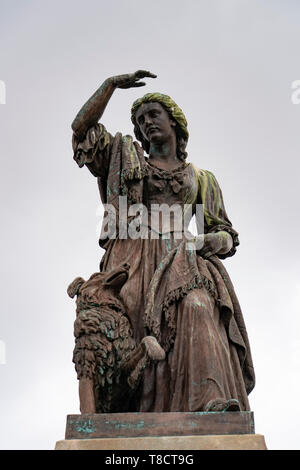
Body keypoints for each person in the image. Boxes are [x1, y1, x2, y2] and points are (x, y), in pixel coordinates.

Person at [71, 70, 255, 412]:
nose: (146, 123)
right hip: (131, 262)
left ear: (175, 121)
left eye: (154, 114)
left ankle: (208, 403)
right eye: (140, 119)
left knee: (199, 307)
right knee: (128, 338)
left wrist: (206, 242)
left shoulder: (201, 178)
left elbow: (226, 235)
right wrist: (110, 86)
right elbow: (80, 129)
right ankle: (127, 413)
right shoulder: (121, 156)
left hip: (181, 261)